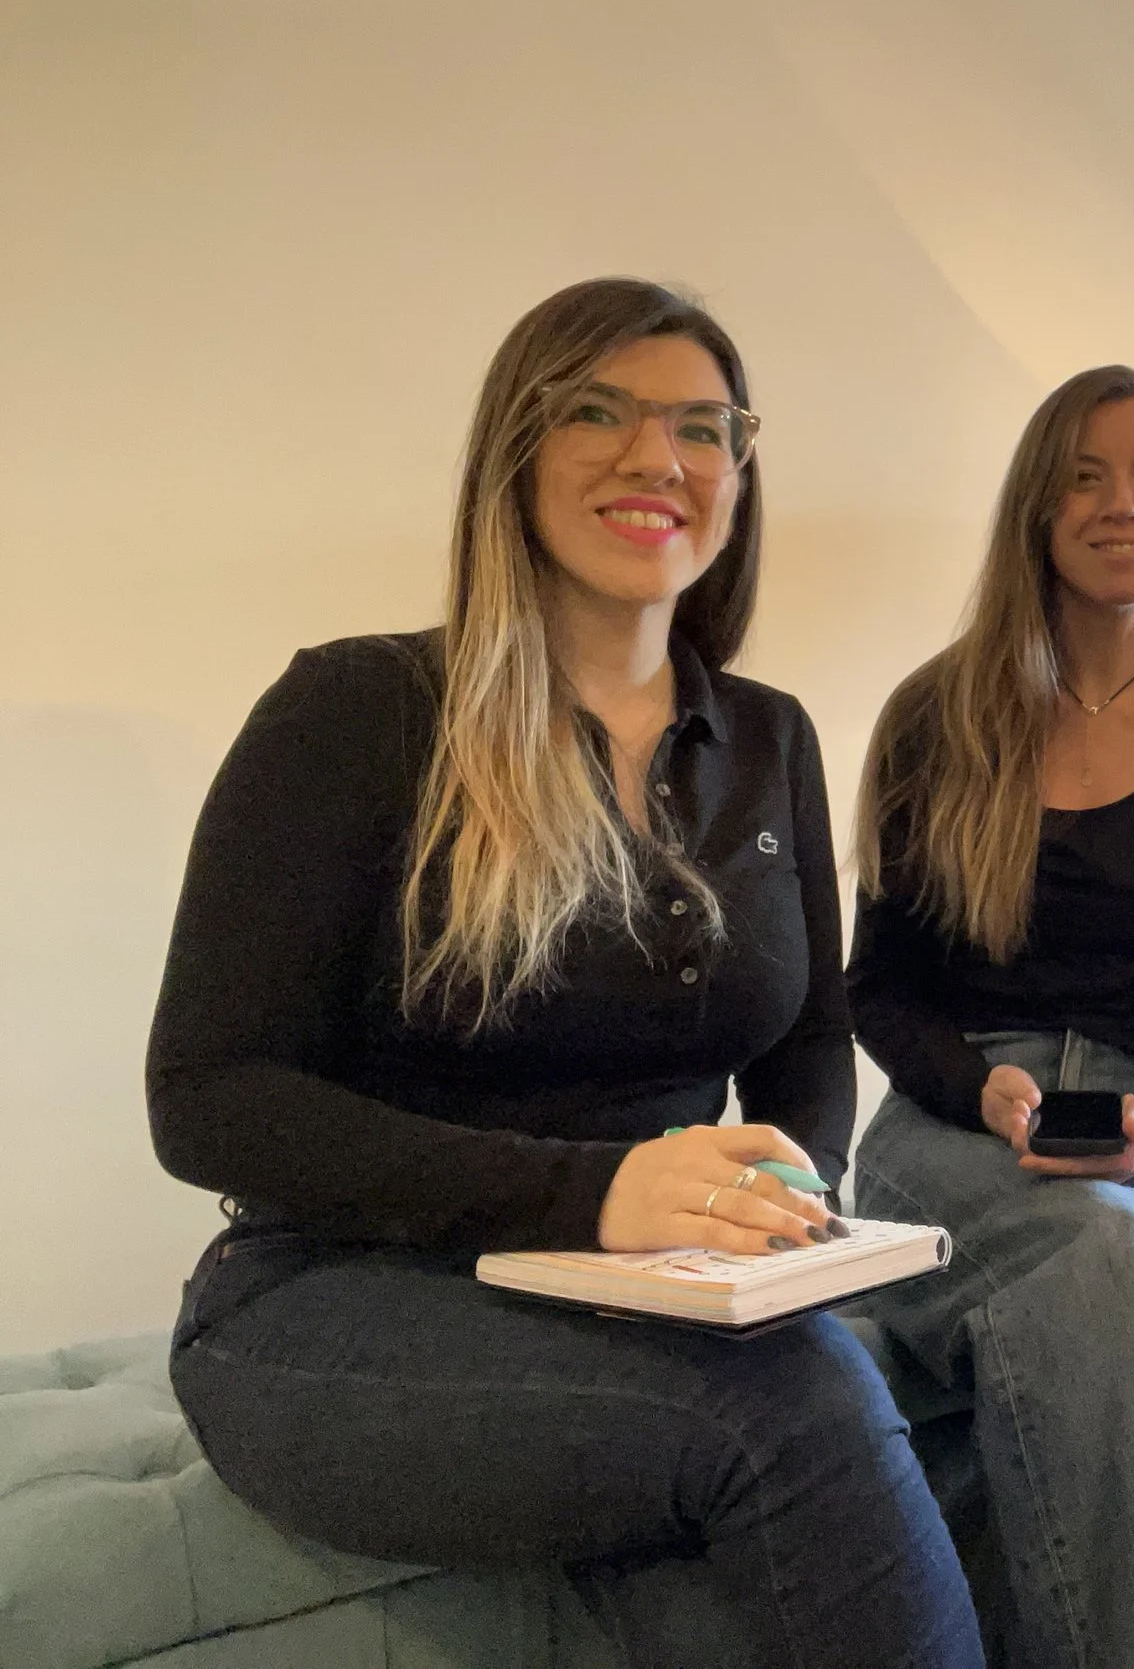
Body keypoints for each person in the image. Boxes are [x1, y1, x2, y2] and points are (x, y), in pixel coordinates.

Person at [148, 278, 982, 1669]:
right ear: (516, 449)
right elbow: (209, 1099)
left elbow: (807, 1038)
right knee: (797, 1408)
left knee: (850, 1375)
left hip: (646, 1284)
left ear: (739, 473)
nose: (659, 457)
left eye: (703, 428)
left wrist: (793, 1201)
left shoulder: (768, 737)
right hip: (336, 1292)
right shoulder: (356, 710)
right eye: (601, 412)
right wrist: (593, 1194)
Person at [846, 364, 1134, 1669]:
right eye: (1085, 477)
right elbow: (879, 985)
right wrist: (978, 1089)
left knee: (1119, 1250)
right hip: (957, 1122)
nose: (1122, 504)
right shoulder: (939, 714)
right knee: (1105, 1252)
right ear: (1037, 510)